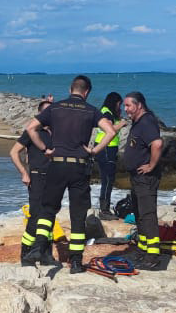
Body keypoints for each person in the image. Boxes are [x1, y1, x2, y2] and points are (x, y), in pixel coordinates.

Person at [20, 75, 116, 273]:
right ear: (87, 92)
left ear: (70, 88)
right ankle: (75, 262)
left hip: (56, 164)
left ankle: (38, 247)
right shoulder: (91, 110)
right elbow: (111, 132)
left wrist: (44, 148)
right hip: (80, 166)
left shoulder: (55, 108)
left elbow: (31, 128)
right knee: (78, 215)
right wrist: (95, 150)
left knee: (47, 209)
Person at [120, 92, 164, 270]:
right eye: (124, 106)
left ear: (139, 105)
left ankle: (153, 256)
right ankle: (144, 249)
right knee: (139, 213)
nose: (126, 109)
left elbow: (158, 144)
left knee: (147, 215)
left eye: (128, 106)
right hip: (137, 177)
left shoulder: (146, 122)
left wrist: (151, 165)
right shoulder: (138, 122)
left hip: (146, 177)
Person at [9, 100, 52, 262]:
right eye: (46, 113)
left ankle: (46, 252)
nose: (50, 116)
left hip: (53, 179)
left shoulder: (53, 132)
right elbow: (13, 153)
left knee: (49, 215)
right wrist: (24, 173)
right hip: (36, 176)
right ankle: (26, 252)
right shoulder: (31, 131)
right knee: (36, 215)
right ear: (40, 115)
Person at [94, 92, 124, 217]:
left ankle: (104, 207)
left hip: (107, 147)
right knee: (107, 179)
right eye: (119, 104)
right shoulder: (106, 112)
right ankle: (104, 209)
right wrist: (121, 124)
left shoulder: (108, 112)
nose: (120, 107)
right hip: (106, 148)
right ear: (114, 102)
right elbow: (110, 130)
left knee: (107, 179)